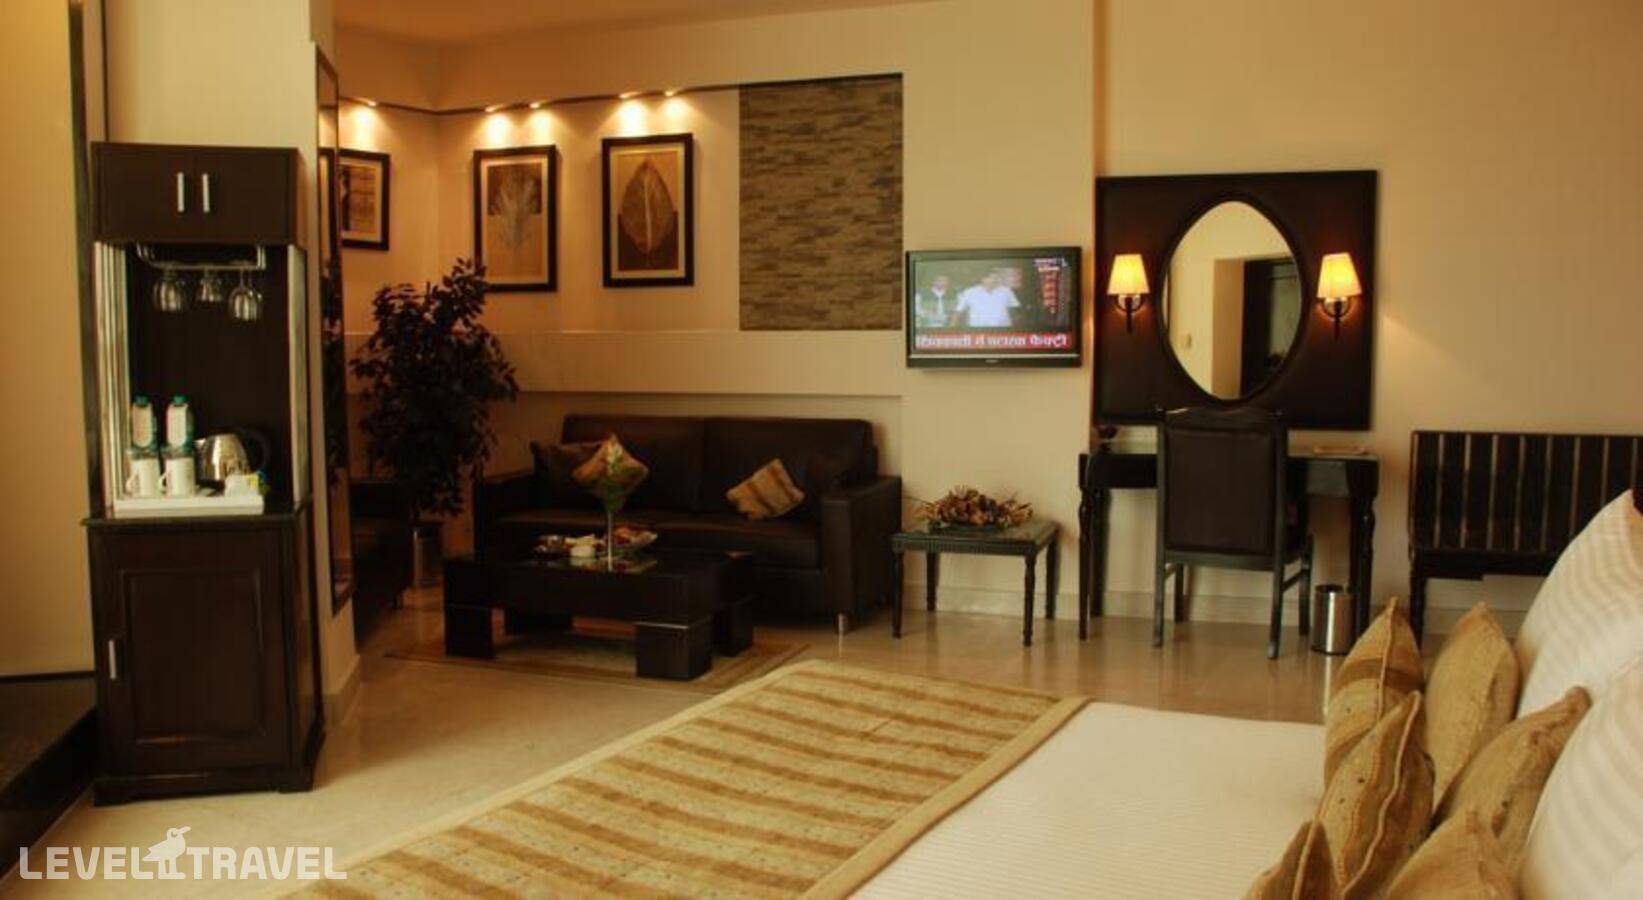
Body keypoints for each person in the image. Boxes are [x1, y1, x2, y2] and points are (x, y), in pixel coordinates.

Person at [954, 269, 1020, 327]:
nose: (995, 280)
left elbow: (1014, 310)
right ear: (983, 279)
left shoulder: (1006, 291)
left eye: (997, 278)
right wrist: (953, 327)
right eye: (992, 278)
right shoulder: (970, 292)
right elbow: (958, 311)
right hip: (979, 330)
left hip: (1003, 330)